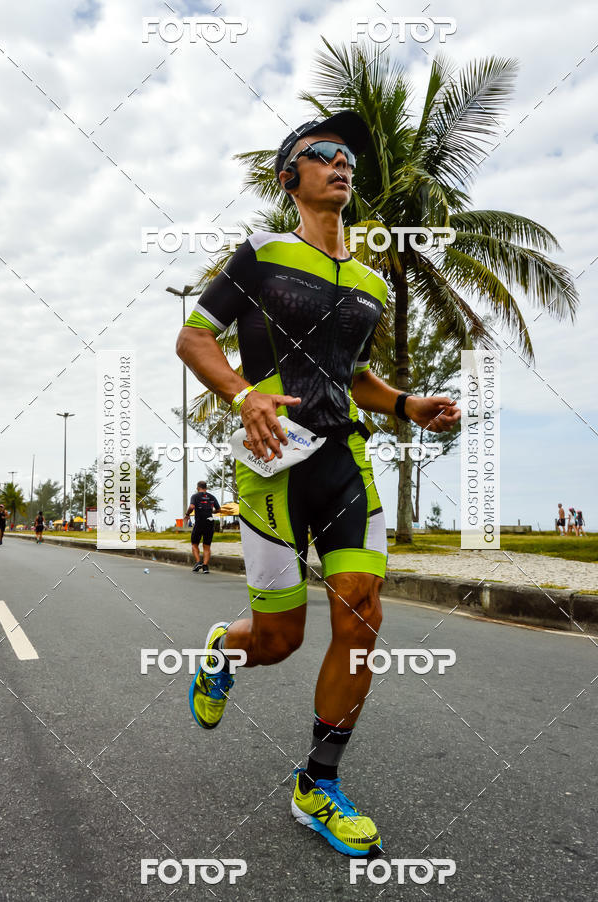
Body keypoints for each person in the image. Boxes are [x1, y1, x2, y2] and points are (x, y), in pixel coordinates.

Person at [176, 110, 460, 857]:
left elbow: (353, 375)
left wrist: (403, 404)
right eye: (321, 153)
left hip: (343, 461)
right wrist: (244, 396)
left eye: (347, 157)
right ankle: (224, 653)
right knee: (278, 639)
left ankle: (317, 782)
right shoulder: (262, 254)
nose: (341, 163)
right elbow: (194, 336)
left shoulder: (368, 281)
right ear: (289, 177)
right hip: (272, 465)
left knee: (361, 617)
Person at [184, 481, 221, 573]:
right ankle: (205, 566)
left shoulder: (195, 496)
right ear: (206, 488)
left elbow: (192, 506)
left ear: (197, 488)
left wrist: (187, 514)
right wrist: (211, 512)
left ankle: (198, 562)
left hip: (200, 522)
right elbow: (219, 509)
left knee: (194, 543)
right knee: (207, 546)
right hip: (210, 522)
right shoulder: (212, 497)